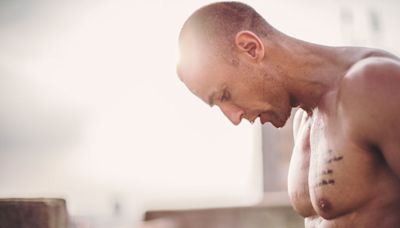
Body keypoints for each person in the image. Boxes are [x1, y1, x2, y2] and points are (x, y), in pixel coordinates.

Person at [176, 2, 400, 227]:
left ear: (251, 48)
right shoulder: (303, 121)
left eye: (224, 95)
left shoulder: (373, 84)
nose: (234, 118)